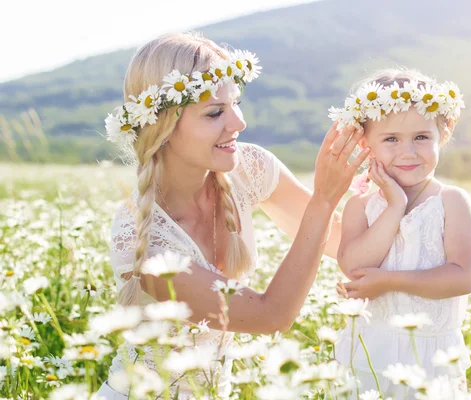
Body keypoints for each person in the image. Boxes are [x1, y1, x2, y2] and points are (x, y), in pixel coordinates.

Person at [97, 31, 370, 398]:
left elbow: (341, 242)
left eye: (236, 103)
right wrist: (323, 199)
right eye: (214, 113)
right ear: (162, 126)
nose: (238, 123)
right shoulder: (142, 239)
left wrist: (412, 195)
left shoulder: (247, 168)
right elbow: (271, 317)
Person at [331, 68, 471, 397]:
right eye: (391, 139)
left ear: (444, 132)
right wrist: (394, 206)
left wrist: (389, 281)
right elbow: (353, 266)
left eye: (421, 137)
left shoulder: (450, 201)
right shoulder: (361, 205)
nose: (408, 151)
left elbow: (462, 277)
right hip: (368, 352)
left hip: (432, 356)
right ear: (365, 143)